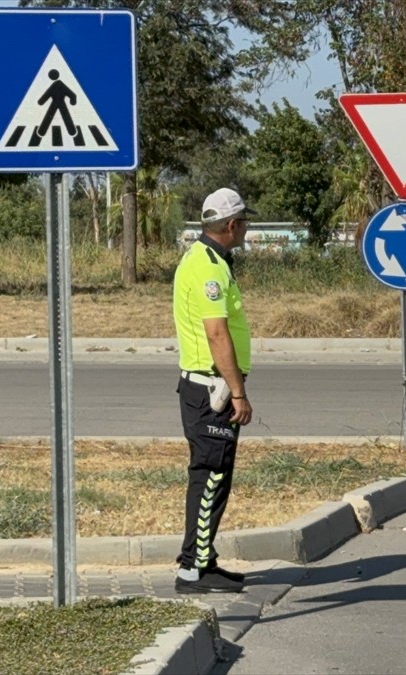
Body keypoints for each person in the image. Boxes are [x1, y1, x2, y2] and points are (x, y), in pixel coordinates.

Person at [171, 187, 256, 594]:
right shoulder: (208, 267)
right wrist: (238, 393)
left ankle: (203, 561)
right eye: (244, 222)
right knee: (210, 476)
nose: (246, 229)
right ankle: (192, 569)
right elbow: (217, 333)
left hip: (207, 385)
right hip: (213, 389)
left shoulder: (208, 258)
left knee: (214, 476)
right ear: (231, 225)